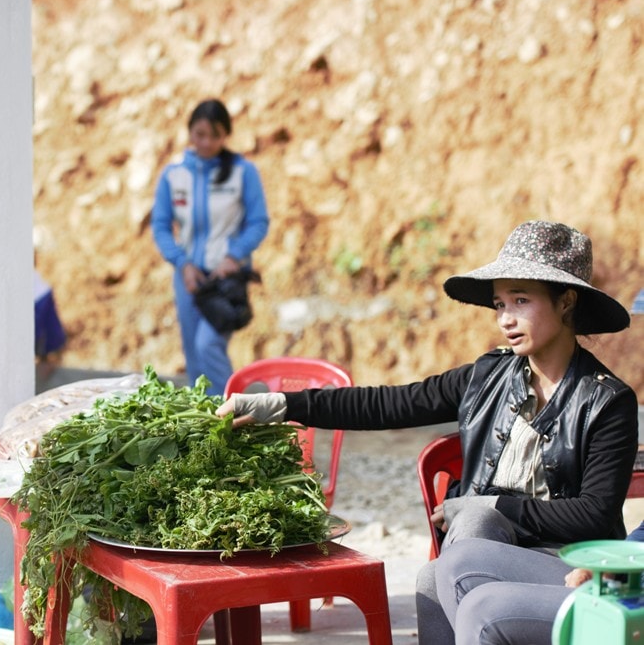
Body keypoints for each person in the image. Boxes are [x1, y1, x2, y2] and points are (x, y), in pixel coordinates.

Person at [216, 220, 638, 643]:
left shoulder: (607, 402)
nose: (505, 320)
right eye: (499, 304)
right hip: (486, 546)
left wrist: (490, 505)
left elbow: (594, 515)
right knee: (434, 576)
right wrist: (283, 405)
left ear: (566, 301)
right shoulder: (487, 375)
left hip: (566, 562)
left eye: (521, 301)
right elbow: (389, 404)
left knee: (463, 539)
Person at [150, 98, 269, 396]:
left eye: (214, 135)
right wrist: (182, 263)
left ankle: (232, 415)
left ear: (225, 136)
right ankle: (205, 427)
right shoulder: (173, 175)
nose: (206, 142)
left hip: (225, 278)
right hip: (189, 278)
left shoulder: (243, 172)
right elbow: (161, 225)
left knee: (209, 344)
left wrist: (234, 257)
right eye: (200, 134)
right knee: (193, 354)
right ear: (190, 133)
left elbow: (258, 222)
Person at [435, 522, 644, 643]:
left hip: (634, 605)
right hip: (627, 582)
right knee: (457, 561)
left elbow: (593, 512)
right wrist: (608, 564)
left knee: (481, 610)